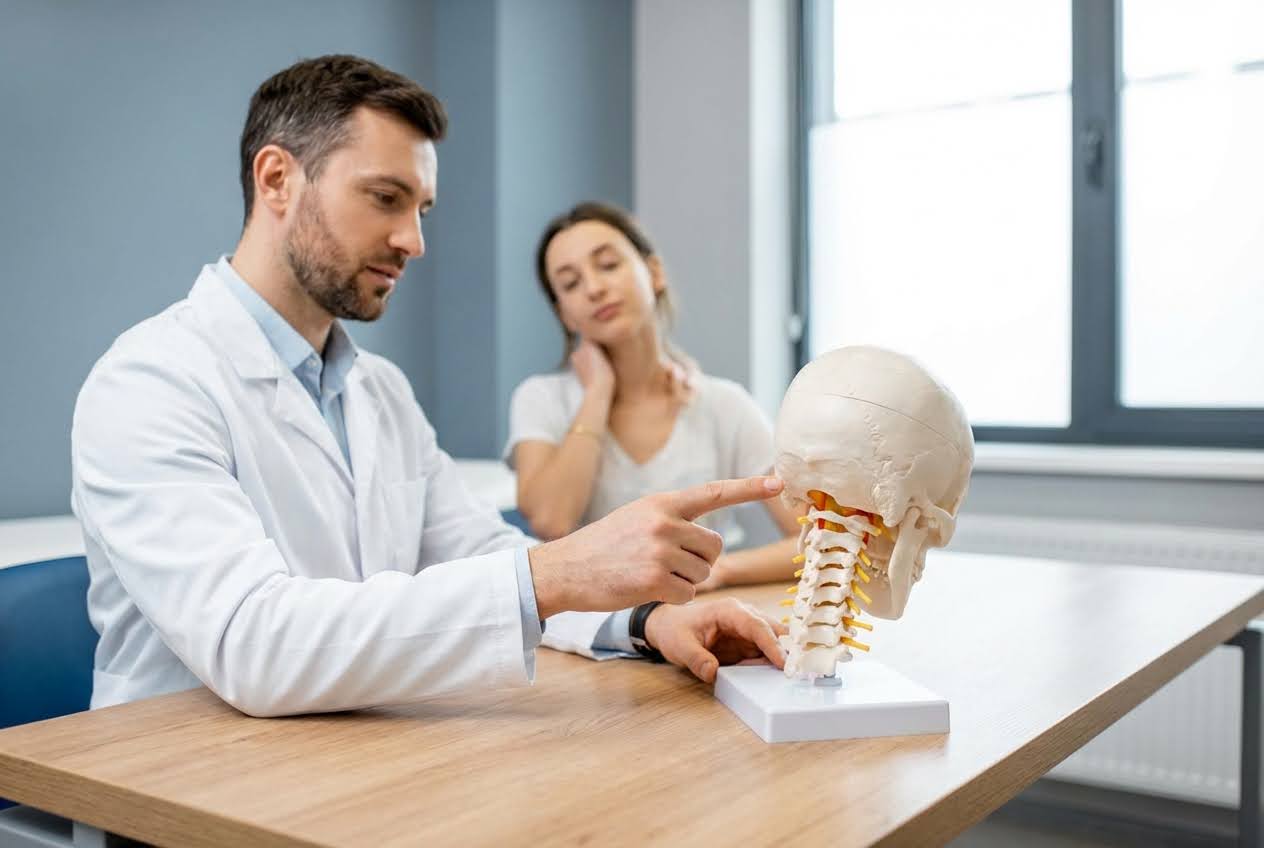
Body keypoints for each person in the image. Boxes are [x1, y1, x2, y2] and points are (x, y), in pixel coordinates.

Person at [70, 55, 787, 723]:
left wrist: (645, 621)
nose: (413, 241)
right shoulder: (150, 383)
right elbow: (253, 643)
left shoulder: (377, 391)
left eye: (422, 210)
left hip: (347, 749)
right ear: (277, 179)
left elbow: (475, 555)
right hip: (176, 779)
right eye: (386, 198)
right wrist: (559, 570)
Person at [506, 202, 802, 622]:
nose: (593, 288)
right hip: (593, 633)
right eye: (570, 284)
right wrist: (598, 394)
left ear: (655, 273)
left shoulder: (722, 405)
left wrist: (722, 570)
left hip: (704, 619)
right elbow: (551, 520)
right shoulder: (541, 399)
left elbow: (816, 538)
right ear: (564, 313)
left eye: (608, 265)